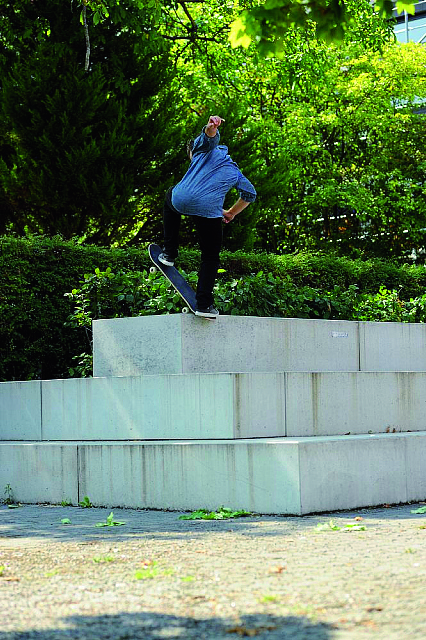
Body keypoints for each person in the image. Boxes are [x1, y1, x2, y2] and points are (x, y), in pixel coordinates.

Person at [159, 115, 256, 318]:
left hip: (181, 199)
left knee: (170, 196)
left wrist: (212, 127)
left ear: (191, 151)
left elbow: (210, 137)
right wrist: (231, 212)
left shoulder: (201, 148)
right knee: (210, 256)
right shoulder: (234, 171)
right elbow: (249, 194)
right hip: (210, 212)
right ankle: (204, 304)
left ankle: (169, 253)